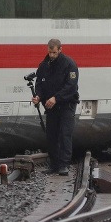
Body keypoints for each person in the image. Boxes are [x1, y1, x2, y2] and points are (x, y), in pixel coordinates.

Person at [32, 38, 79, 176]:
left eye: (54, 52)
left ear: (60, 49)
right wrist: (38, 96)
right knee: (51, 135)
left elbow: (71, 86)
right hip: (50, 106)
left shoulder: (69, 65)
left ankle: (64, 164)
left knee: (65, 134)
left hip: (66, 105)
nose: (51, 55)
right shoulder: (44, 65)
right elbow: (39, 84)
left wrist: (56, 98)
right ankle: (54, 164)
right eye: (50, 52)